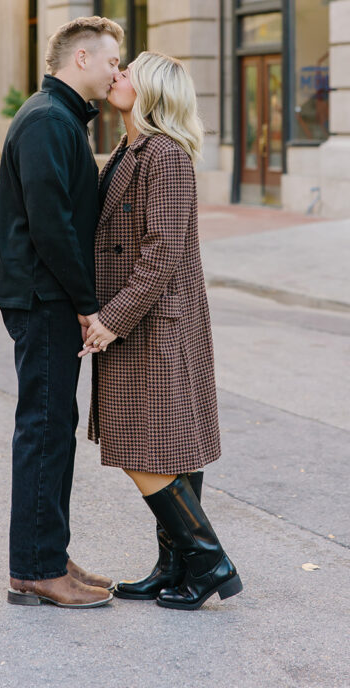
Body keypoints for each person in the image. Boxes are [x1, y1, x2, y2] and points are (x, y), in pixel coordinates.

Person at [80, 51, 242, 610]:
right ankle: (174, 566)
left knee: (144, 444)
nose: (116, 75)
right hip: (145, 315)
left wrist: (110, 320)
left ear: (149, 93)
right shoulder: (130, 148)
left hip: (157, 320)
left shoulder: (166, 156)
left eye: (128, 73)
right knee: (167, 443)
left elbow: (165, 252)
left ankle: (207, 559)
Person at [0, 15, 123, 609]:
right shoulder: (47, 120)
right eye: (114, 60)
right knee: (45, 432)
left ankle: (47, 552)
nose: (119, 70)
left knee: (53, 431)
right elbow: (50, 225)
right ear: (83, 59)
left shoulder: (61, 117)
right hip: (45, 299)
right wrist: (88, 305)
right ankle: (37, 569)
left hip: (49, 296)